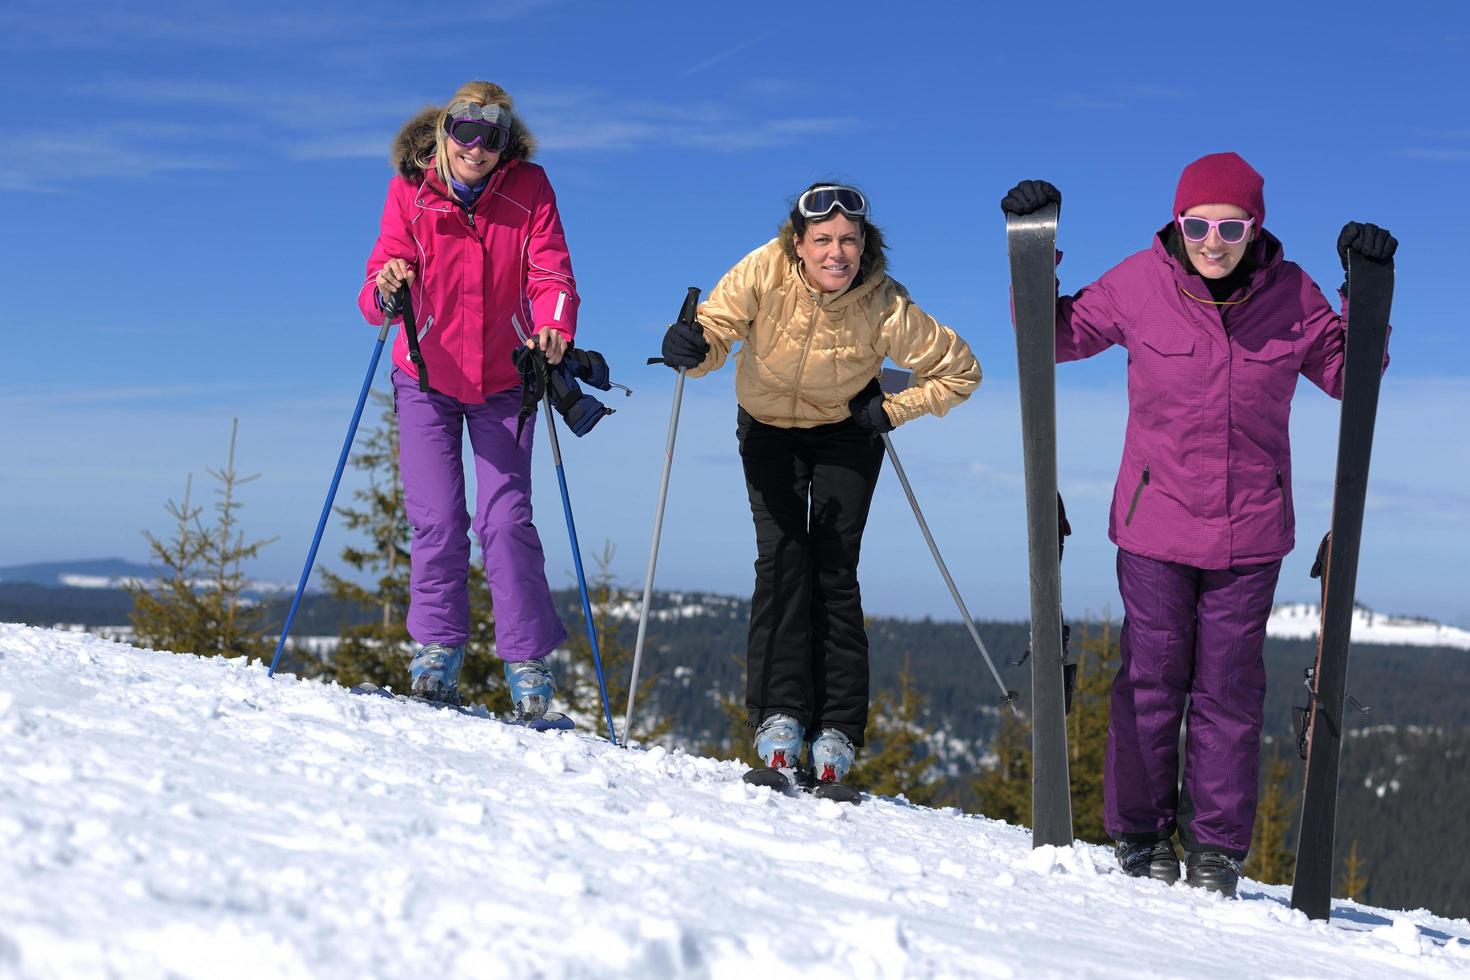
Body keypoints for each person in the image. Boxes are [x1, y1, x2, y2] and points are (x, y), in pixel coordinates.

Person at [1000, 154, 1397, 895]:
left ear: (1257, 228)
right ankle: (1140, 835)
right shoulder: (1139, 283)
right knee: (1150, 682)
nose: (1213, 241)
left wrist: (1364, 294)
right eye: (1198, 225)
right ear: (1177, 224)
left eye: (1231, 226)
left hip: (1250, 534)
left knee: (1229, 692)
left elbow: (1352, 377)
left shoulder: (1294, 296)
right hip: (1155, 529)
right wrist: (1035, 253)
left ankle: (1215, 849)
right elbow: (1051, 338)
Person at [660, 183, 981, 787]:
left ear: (865, 246)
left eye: (849, 241)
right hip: (767, 426)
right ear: (799, 245)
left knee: (833, 569)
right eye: (824, 240)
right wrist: (693, 349)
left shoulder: (885, 304)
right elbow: (718, 331)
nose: (837, 253)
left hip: (845, 431)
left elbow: (961, 371)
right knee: (782, 560)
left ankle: (837, 729)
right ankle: (778, 716)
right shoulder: (764, 268)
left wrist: (893, 410)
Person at [357, 81, 578, 717]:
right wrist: (388, 285)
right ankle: (435, 658)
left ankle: (528, 669)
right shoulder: (410, 188)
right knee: (439, 519)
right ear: (443, 130)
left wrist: (555, 324)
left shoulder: (529, 187)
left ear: (505, 141)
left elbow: (551, 272)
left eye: (491, 135)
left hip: (505, 378)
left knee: (505, 522)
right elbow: (377, 282)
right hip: (425, 374)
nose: (475, 147)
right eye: (464, 131)